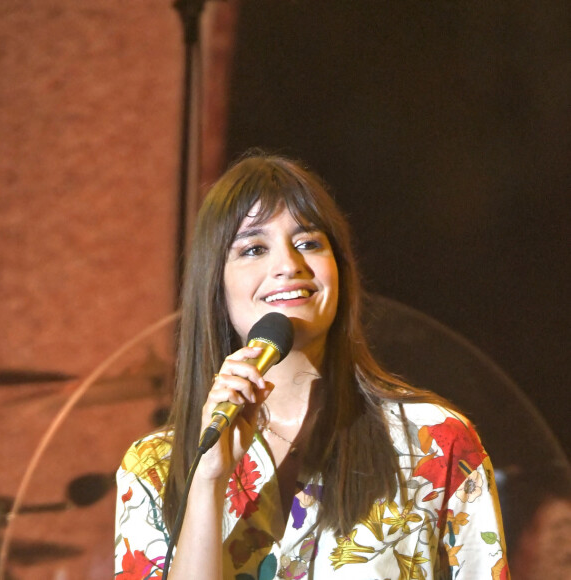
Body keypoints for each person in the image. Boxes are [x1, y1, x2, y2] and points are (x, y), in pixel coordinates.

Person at [115, 153, 510, 579]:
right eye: (253, 248)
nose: (288, 266)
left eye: (308, 242)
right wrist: (208, 480)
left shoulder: (434, 442)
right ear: (216, 285)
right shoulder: (155, 469)